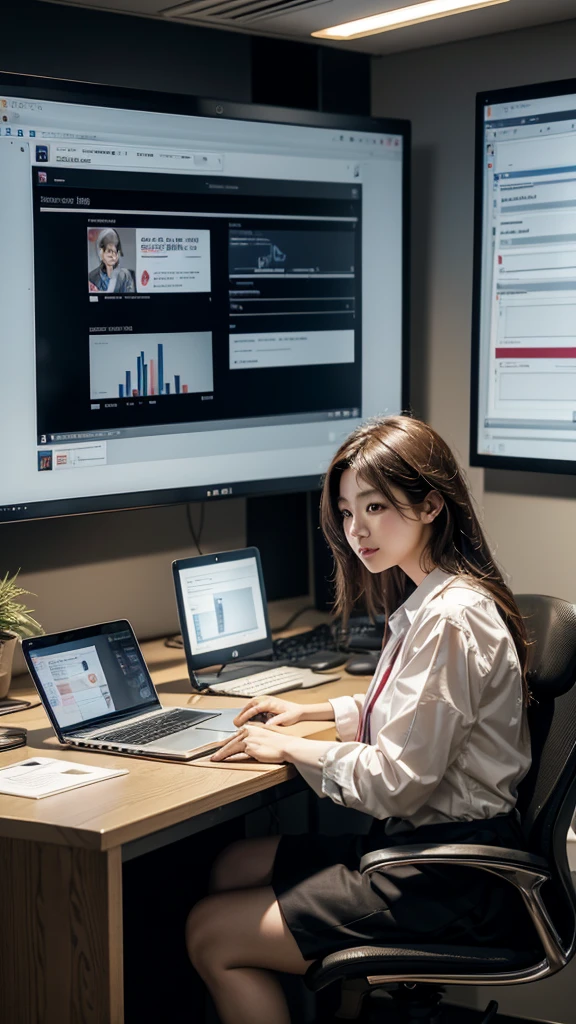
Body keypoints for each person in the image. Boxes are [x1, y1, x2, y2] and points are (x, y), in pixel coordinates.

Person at [185, 414, 533, 1024]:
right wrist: (315, 710)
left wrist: (291, 749)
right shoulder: (439, 597)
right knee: (230, 864)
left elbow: (401, 779)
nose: (356, 530)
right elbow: (420, 717)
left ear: (430, 505)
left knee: (210, 935)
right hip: (423, 847)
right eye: (346, 513)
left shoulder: (451, 618)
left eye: (374, 507)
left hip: (446, 876)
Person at [88, 228, 135, 293]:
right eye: (109, 251)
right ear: (101, 253)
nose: (113, 255)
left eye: (115, 251)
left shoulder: (126, 275)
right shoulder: (91, 277)